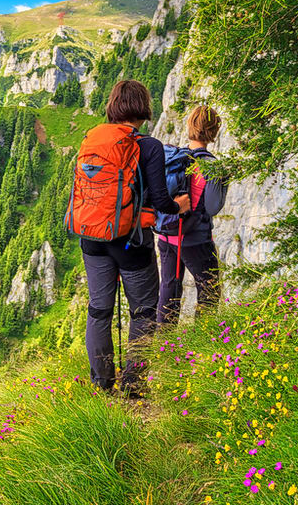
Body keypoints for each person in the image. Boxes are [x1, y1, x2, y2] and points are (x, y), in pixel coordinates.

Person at [75, 80, 190, 396]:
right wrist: (179, 205)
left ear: (113, 106)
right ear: (142, 107)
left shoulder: (94, 139)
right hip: (131, 241)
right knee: (142, 311)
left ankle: (102, 384)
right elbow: (160, 200)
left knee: (99, 309)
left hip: (92, 238)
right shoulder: (148, 146)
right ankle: (133, 385)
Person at [156, 105, 228, 325]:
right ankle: (201, 344)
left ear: (190, 126)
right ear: (214, 132)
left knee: (169, 291)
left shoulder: (174, 157)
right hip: (195, 239)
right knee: (209, 291)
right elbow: (213, 207)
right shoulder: (212, 166)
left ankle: (164, 348)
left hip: (167, 236)